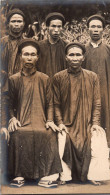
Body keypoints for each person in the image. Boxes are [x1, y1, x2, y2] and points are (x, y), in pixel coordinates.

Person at [8, 38, 62, 188]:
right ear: (20, 56)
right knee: (18, 133)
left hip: (40, 120)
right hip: (22, 120)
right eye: (26, 54)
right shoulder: (13, 79)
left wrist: (50, 120)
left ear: (37, 57)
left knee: (48, 133)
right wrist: (12, 118)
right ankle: (19, 175)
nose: (29, 58)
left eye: (33, 54)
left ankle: (46, 175)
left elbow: (50, 102)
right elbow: (9, 103)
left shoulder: (45, 78)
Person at [52, 42, 102, 184]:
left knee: (97, 137)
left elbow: (97, 102)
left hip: (86, 122)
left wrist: (95, 123)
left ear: (83, 58)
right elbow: (56, 104)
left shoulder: (92, 77)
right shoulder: (58, 77)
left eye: (78, 54)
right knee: (63, 138)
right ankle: (65, 176)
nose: (75, 58)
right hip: (67, 122)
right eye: (71, 55)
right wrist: (60, 123)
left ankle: (92, 175)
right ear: (66, 57)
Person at [83, 15, 110, 168]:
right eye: (93, 26)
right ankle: (89, 156)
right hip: (87, 92)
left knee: (105, 122)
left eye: (99, 27)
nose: (96, 30)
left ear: (103, 30)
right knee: (87, 121)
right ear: (88, 29)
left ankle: (106, 157)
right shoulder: (82, 50)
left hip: (105, 91)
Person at [1, 8, 25, 184]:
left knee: (19, 125)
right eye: (13, 21)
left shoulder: (28, 42)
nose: (16, 24)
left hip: (23, 87)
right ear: (8, 23)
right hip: (5, 86)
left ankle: (20, 168)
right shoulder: (2, 42)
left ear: (24, 24)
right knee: (5, 121)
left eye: (19, 21)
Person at [38, 12, 68, 78]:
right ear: (47, 27)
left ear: (62, 28)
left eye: (59, 26)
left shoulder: (66, 46)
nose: (56, 30)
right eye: (53, 26)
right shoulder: (39, 46)